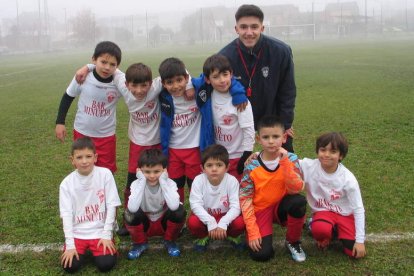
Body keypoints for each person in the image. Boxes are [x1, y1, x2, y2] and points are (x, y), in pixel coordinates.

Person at [219, 4, 296, 152]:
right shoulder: (224, 56)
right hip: (237, 125)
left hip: (273, 123)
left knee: (283, 168)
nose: (249, 32)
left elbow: (288, 92)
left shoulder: (281, 51)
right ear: (236, 29)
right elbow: (211, 83)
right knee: (240, 169)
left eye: (254, 27)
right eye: (243, 27)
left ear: (262, 28)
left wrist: (285, 125)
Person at [240, 115, 307, 262]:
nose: (271, 141)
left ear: (284, 137)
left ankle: (293, 241)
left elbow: (297, 188)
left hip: (280, 207)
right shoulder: (251, 165)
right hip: (261, 210)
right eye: (266, 137)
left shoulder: (291, 159)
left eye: (275, 136)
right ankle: (255, 230)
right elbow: (245, 198)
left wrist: (285, 163)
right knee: (261, 255)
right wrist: (252, 231)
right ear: (258, 139)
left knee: (298, 201)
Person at [55, 41, 123, 173]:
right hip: (82, 133)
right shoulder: (82, 77)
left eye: (112, 64)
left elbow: (134, 84)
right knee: (83, 170)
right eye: (103, 62)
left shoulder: (119, 82)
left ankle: (105, 194)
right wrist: (60, 122)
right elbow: (68, 96)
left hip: (106, 136)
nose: (107, 67)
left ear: (117, 66)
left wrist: (88, 66)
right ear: (94, 59)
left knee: (106, 173)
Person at [299, 132, 366, 258]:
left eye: (333, 151)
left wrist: (360, 241)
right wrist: (258, 155)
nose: (327, 155)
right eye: (323, 150)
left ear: (341, 156)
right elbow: (285, 160)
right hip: (324, 212)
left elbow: (358, 209)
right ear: (317, 151)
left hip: (345, 215)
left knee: (352, 252)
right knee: (320, 229)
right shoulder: (308, 166)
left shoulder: (348, 179)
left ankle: (335, 229)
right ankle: (322, 229)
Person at [59, 137, 121, 273]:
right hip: (78, 233)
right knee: (70, 266)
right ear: (72, 160)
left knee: (106, 264)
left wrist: (106, 235)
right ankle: (77, 248)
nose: (84, 161)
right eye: (79, 157)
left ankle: (106, 244)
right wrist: (70, 245)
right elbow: (67, 215)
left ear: (95, 157)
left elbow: (112, 205)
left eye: (88, 156)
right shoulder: (66, 183)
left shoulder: (105, 174)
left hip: (99, 231)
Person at [193, 54, 254, 181]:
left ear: (231, 74)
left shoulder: (240, 101)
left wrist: (246, 155)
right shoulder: (206, 95)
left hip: (237, 156)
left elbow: (248, 130)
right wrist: (188, 87)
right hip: (217, 157)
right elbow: (186, 78)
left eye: (225, 75)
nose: (222, 80)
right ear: (208, 80)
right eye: (216, 77)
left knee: (237, 194)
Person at [124, 149, 186, 259]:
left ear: (164, 171)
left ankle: (169, 241)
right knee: (129, 212)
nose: (152, 176)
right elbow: (133, 208)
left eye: (157, 172)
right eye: (147, 172)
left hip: (163, 223)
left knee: (179, 210)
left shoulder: (170, 183)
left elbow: (174, 206)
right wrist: (142, 180)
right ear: (140, 171)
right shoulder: (136, 184)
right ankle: (140, 243)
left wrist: (163, 181)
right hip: (145, 224)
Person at [158, 57, 202, 203]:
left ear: (186, 78)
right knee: (175, 187)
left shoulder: (196, 91)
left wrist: (190, 85)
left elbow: (209, 75)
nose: (176, 86)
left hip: (194, 149)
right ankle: (178, 218)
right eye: (170, 82)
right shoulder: (163, 97)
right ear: (163, 84)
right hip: (173, 151)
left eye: (179, 80)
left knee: (195, 186)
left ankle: (198, 217)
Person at [188, 144, 245, 252]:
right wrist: (210, 222)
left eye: (219, 165)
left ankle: (232, 235)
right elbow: (195, 205)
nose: (214, 169)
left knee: (240, 223)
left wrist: (224, 222)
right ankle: (203, 236)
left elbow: (236, 207)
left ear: (227, 167)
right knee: (193, 222)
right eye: (209, 165)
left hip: (225, 216)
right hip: (206, 216)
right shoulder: (198, 180)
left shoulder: (232, 181)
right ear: (202, 168)